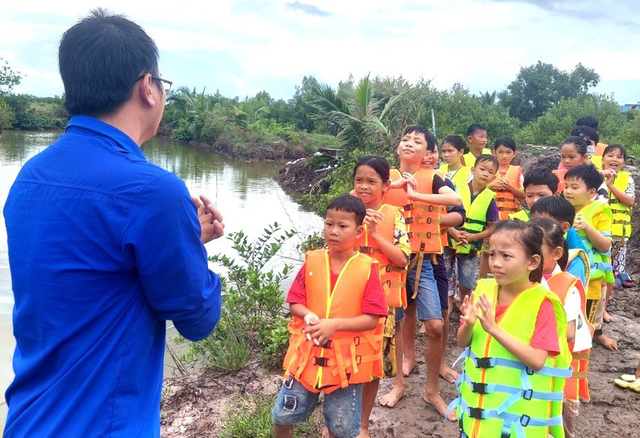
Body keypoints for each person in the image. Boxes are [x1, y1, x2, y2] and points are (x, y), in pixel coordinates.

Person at [2, 10, 224, 437]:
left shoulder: (30, 177)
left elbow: (90, 276)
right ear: (147, 88)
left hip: (29, 420)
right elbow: (197, 319)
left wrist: (180, 239)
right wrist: (190, 249)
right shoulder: (154, 191)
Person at [273, 195, 387, 438]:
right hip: (305, 361)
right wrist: (309, 315)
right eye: (329, 224)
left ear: (358, 232)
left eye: (342, 226)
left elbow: (372, 318)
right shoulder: (313, 261)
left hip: (346, 367)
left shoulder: (367, 268)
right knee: (281, 417)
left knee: (342, 429)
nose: (333, 231)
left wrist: (334, 325)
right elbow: (295, 303)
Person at [448, 220, 572, 437]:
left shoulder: (543, 304)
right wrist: (468, 325)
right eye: (492, 254)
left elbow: (537, 360)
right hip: (478, 421)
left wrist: (494, 329)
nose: (495, 263)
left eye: (506, 256)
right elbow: (463, 342)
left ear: (532, 262)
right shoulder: (484, 291)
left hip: (515, 426)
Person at [383, 125, 462, 420]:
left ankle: (431, 391)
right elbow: (356, 197)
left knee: (436, 326)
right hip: (393, 262)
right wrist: (389, 188)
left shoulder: (433, 177)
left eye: (417, 141)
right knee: (398, 321)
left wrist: (416, 196)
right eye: (405, 139)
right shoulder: (386, 177)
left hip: (425, 261)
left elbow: (455, 203)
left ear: (428, 153)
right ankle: (399, 384)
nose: (408, 143)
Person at [350, 156, 410, 433]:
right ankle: (336, 421)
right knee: (341, 359)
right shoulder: (346, 212)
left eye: (372, 181)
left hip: (377, 306)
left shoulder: (394, 215)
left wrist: (375, 235)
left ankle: (362, 424)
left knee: (371, 367)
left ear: (386, 185)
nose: (364, 186)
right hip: (345, 301)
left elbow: (402, 259)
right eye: (359, 180)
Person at [530, 218, 593, 438]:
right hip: (533, 369)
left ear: (556, 253)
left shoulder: (567, 286)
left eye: (535, 249)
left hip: (559, 373)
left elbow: (569, 332)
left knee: (560, 425)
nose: (529, 255)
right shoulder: (522, 282)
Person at [420, 143, 466, 385]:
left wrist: (428, 220)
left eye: (433, 151)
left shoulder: (441, 180)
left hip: (438, 253)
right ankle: (407, 359)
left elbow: (459, 213)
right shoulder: (397, 179)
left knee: (443, 309)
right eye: (424, 151)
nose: (429, 156)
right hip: (406, 253)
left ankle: (440, 363)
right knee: (405, 314)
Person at [563, 165, 617, 351]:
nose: (568, 191)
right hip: (566, 277)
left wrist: (586, 227)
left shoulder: (601, 212)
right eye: (566, 186)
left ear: (591, 192)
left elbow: (605, 245)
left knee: (584, 321)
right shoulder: (562, 209)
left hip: (591, 280)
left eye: (574, 187)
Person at [448, 155, 499, 310]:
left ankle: (466, 309)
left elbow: (493, 227)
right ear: (473, 169)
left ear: (494, 176)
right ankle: (447, 307)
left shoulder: (489, 198)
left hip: (470, 247)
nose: (485, 174)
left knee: (466, 283)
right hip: (449, 242)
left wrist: (474, 237)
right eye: (482, 169)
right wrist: (453, 231)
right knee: (445, 278)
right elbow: (442, 213)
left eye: (490, 172)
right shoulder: (456, 188)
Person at [601, 144, 635, 324]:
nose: (614, 159)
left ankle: (604, 309)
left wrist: (611, 186)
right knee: (599, 273)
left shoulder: (627, 179)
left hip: (618, 238)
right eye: (610, 155)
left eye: (619, 157)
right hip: (598, 234)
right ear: (603, 157)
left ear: (623, 161)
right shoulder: (595, 176)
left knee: (611, 276)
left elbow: (629, 201)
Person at [530, 196, 590, 287]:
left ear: (565, 227)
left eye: (545, 222)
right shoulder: (524, 248)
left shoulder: (574, 261)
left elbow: (569, 291)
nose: (536, 226)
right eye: (533, 221)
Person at [489, 136, 525, 221]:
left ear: (514, 154)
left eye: (508, 152)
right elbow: (477, 191)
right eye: (500, 152)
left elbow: (524, 195)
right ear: (494, 152)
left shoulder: (518, 172)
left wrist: (510, 187)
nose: (504, 156)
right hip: (490, 218)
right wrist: (493, 184)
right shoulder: (488, 170)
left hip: (511, 219)